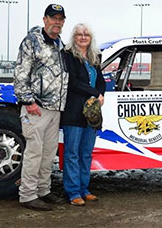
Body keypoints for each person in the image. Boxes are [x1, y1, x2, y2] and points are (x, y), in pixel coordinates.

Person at [14, 4, 69, 211]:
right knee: (34, 153)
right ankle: (28, 195)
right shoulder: (32, 41)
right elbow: (21, 73)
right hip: (36, 107)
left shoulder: (59, 44)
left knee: (48, 153)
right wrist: (28, 101)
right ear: (45, 19)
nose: (57, 22)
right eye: (53, 18)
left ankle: (43, 190)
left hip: (55, 108)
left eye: (61, 19)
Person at [60, 23, 105, 206]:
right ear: (74, 37)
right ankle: (73, 192)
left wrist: (101, 94)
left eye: (86, 34)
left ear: (91, 37)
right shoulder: (69, 56)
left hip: (91, 115)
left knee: (86, 153)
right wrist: (94, 93)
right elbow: (72, 82)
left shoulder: (95, 57)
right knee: (72, 153)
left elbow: (101, 81)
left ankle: (84, 189)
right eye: (79, 34)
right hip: (74, 112)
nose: (83, 37)